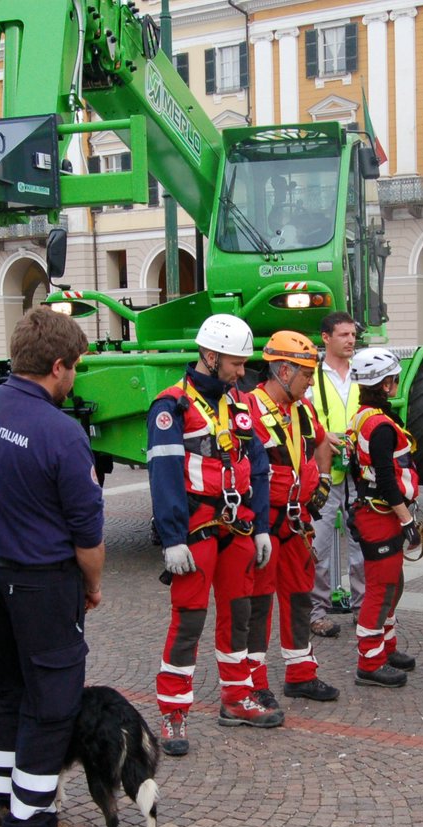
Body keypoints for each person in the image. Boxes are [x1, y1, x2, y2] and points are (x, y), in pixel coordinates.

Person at [0, 307, 105, 827]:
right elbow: (87, 534)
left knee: (5, 689)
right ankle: (31, 822)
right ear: (59, 365)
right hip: (42, 581)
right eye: (75, 370)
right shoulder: (61, 432)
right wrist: (91, 586)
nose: (74, 380)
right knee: (53, 698)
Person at [147, 313, 274, 757]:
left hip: (237, 528)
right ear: (210, 356)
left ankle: (237, 697)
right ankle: (173, 711)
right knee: (189, 621)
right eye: (236, 363)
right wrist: (172, 538)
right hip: (197, 528)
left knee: (237, 616)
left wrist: (261, 527)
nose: (243, 372)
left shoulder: (239, 402)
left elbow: (258, 466)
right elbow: (163, 475)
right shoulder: (171, 406)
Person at [242, 330, 340, 705]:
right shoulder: (249, 408)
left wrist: (323, 480)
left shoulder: (302, 408)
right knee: (259, 602)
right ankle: (253, 681)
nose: (310, 381)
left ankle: (301, 673)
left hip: (298, 523)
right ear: (283, 370)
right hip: (264, 525)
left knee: (299, 598)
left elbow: (320, 441)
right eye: (306, 374)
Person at [347, 348, 421, 688]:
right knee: (381, 588)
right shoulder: (379, 426)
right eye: (393, 378)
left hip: (374, 511)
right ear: (386, 383)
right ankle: (370, 660)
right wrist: (407, 520)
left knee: (394, 583)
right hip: (381, 514)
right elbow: (387, 479)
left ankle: (385, 647)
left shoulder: (365, 416)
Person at [308, 311, 364, 638]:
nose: (350, 340)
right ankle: (317, 613)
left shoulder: (361, 372)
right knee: (319, 547)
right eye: (343, 335)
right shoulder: (312, 376)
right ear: (326, 338)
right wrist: (322, 436)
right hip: (325, 473)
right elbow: (301, 416)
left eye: (353, 334)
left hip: (358, 470)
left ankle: (363, 609)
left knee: (361, 545)